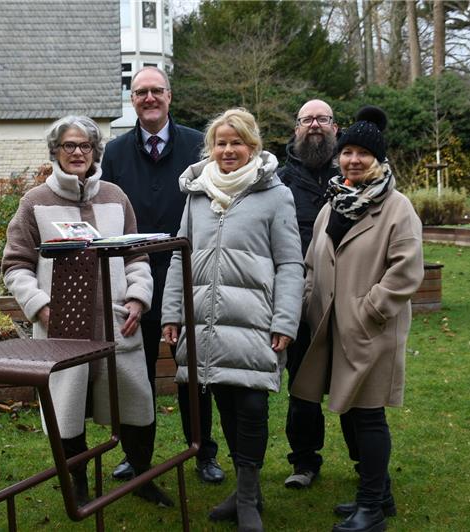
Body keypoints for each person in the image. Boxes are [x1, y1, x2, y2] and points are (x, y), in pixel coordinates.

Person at [2, 115, 173, 508]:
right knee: (67, 412)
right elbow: (15, 265)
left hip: (118, 324)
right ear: (55, 151)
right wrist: (41, 307)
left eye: (85, 146)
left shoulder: (116, 196)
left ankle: (142, 476)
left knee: (136, 407)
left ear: (96, 151)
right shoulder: (35, 202)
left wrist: (138, 297)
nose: (78, 152)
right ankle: (77, 484)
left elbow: (137, 256)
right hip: (63, 330)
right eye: (69, 145)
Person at [162, 108, 304, 531]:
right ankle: (248, 492)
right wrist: (172, 312)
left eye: (236, 142)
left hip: (256, 323)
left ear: (252, 146)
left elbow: (290, 263)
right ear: (211, 148)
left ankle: (246, 500)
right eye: (220, 143)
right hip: (205, 323)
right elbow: (179, 257)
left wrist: (285, 321)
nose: (228, 150)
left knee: (252, 406)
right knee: (225, 402)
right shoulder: (197, 194)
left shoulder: (275, 195)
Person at [291, 106, 424, 532]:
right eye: (347, 152)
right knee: (351, 412)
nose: (353, 160)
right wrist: (311, 301)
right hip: (332, 328)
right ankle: (380, 496)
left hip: (371, 330)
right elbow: (313, 263)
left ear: (378, 160)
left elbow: (406, 272)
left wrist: (371, 310)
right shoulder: (335, 203)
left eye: (363, 153)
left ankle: (370, 509)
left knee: (367, 416)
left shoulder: (397, 207)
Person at [102, 66, 224, 485]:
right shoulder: (115, 153)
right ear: (132, 100)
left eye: (156, 91)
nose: (149, 98)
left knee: (194, 370)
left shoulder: (197, 145)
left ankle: (203, 452)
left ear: (170, 96)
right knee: (136, 372)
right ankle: (136, 456)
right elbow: (110, 215)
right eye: (141, 92)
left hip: (188, 276)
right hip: (134, 279)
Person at [278, 99, 340, 489]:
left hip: (347, 298)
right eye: (307, 120)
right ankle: (304, 461)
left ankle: (366, 463)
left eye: (322, 119)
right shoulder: (280, 180)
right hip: (298, 299)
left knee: (355, 384)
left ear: (335, 127)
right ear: (296, 129)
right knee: (302, 385)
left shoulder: (353, 171)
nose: (314, 125)